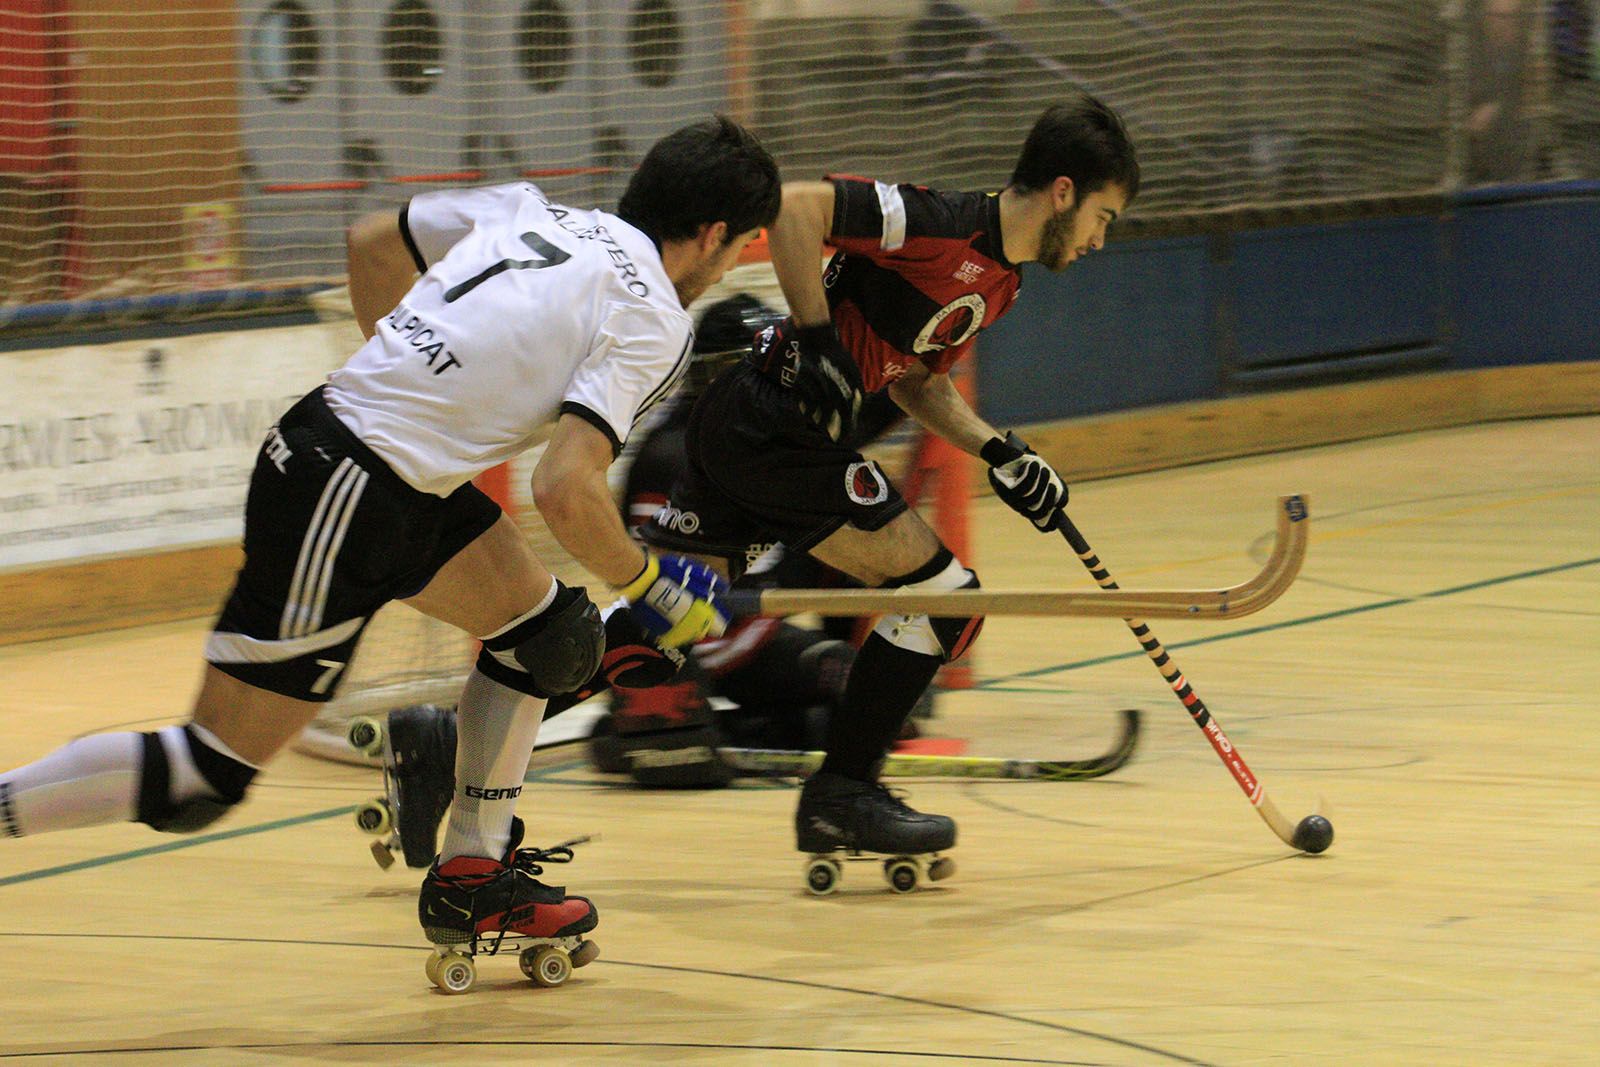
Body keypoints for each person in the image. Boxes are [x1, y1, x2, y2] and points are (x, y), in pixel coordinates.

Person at [0, 117, 781, 966]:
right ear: (713, 235)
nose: (729, 267)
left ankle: (474, 870)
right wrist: (651, 582)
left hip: (390, 481)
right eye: (739, 248)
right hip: (349, 489)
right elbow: (566, 486)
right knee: (205, 774)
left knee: (550, 636)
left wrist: (412, 374)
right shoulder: (654, 316)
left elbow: (373, 240)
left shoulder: (534, 210)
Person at [639, 94, 1139, 864]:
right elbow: (795, 208)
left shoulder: (1001, 283)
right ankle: (844, 794)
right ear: (1064, 192)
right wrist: (818, 339)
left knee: (670, 608)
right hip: (775, 427)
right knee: (947, 599)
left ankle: (508, 680)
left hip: (754, 427)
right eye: (1103, 217)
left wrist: (1002, 452)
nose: (1100, 239)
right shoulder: (938, 222)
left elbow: (915, 382)